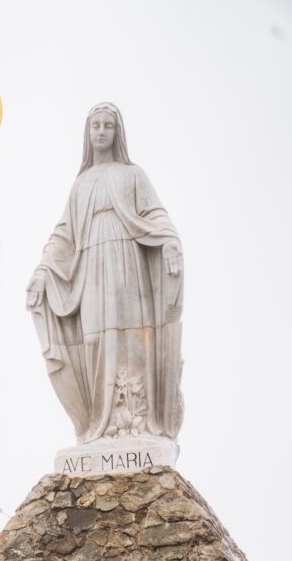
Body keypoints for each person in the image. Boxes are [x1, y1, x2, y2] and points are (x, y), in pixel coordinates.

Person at [26, 102, 184, 444]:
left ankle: (138, 424)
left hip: (128, 264)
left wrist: (169, 241)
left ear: (117, 132)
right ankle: (101, 422)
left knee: (132, 338)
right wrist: (42, 270)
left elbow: (157, 215)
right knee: (95, 341)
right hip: (91, 272)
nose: (100, 131)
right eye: (95, 125)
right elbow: (63, 236)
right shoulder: (80, 184)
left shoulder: (132, 175)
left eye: (107, 126)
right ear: (87, 132)